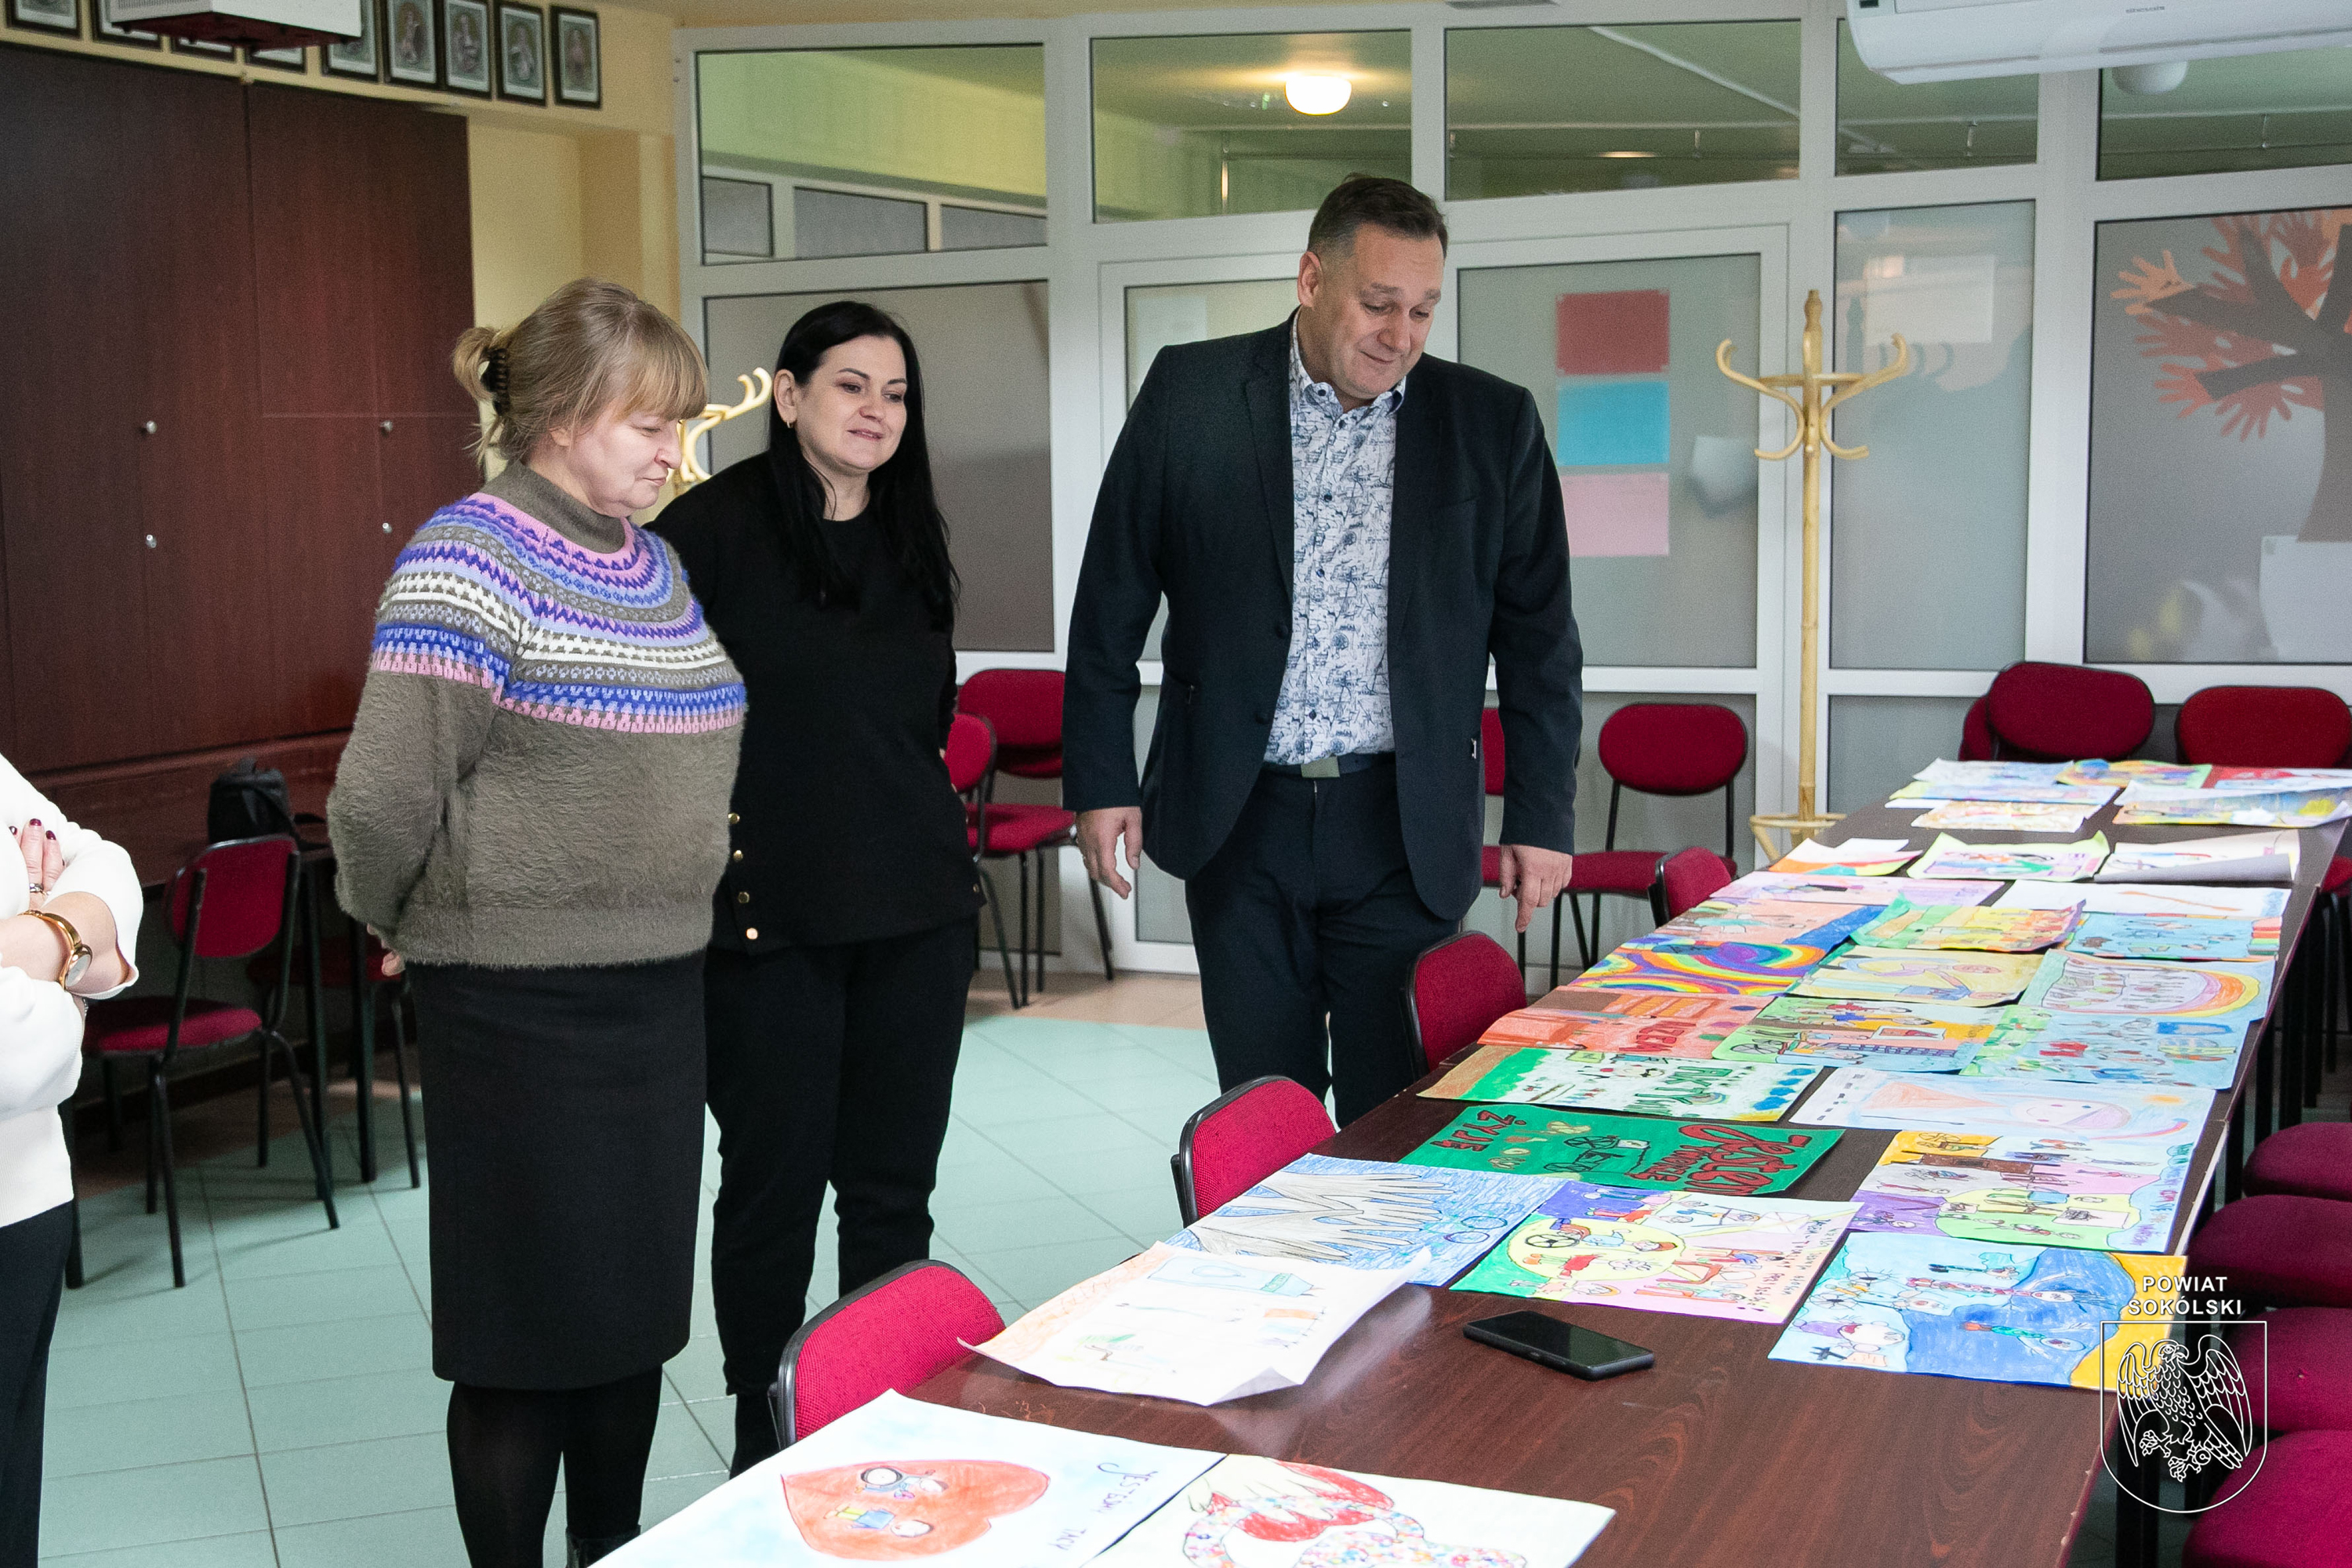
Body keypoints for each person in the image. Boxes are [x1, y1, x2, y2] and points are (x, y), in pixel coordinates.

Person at [327, 278, 746, 1568]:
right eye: (649, 425)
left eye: (677, 425)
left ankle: (610, 1551)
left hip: (656, 1003)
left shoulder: (656, 560)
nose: (675, 451)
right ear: (561, 418)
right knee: (524, 1344)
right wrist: (399, 918)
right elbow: (382, 796)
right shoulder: (469, 556)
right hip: (517, 1016)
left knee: (628, 1329)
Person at [1064, 175, 1584, 1127]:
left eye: (1424, 309)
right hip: (1240, 812)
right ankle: (1275, 1274)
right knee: (1267, 1109)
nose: (1402, 333)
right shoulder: (1193, 392)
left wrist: (1543, 812)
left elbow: (1541, 638)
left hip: (1401, 821)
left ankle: (1402, 1282)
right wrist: (1102, 780)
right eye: (1378, 303)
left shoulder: (1490, 422)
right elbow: (1109, 602)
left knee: (1404, 1110)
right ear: (1311, 279)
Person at [655, 300, 981, 1478]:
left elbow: (921, 722)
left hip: (916, 914)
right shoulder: (707, 534)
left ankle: (881, 1402)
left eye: (895, 394)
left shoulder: (908, 533)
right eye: (850, 387)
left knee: (893, 1191)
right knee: (772, 1191)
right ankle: (768, 1421)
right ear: (786, 396)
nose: (875, 413)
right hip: (766, 925)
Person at [0, 759, 140, 1568]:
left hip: (25, 1210)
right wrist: (72, 995)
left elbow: (102, 861)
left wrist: (47, 934)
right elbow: (15, 1055)